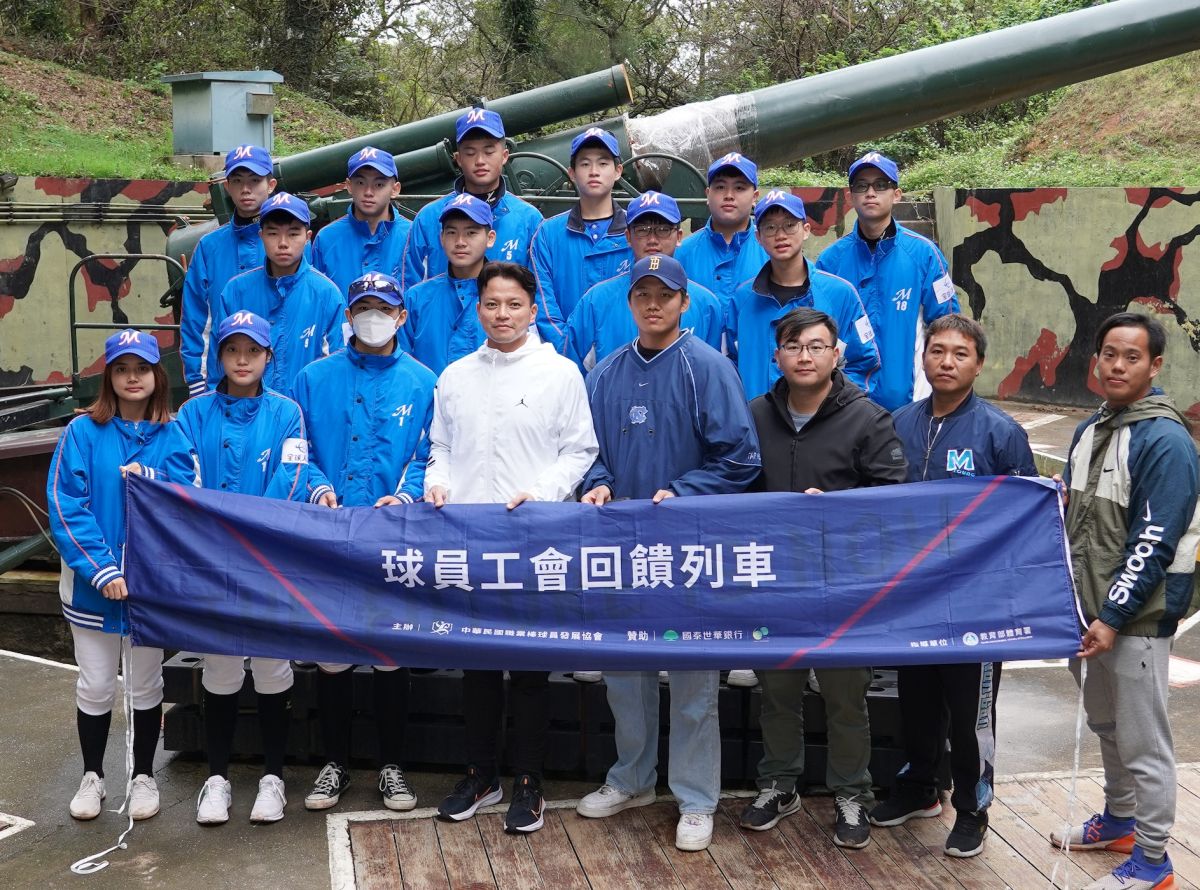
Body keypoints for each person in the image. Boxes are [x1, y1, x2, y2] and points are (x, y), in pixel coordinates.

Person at [575, 254, 761, 853]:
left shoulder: (707, 367)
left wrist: (682, 491)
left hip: (687, 549)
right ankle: (631, 777)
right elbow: (586, 449)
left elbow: (741, 458)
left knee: (691, 679)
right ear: (629, 302)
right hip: (621, 550)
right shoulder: (604, 373)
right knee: (623, 673)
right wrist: (596, 480)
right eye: (642, 293)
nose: (653, 303)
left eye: (665, 293)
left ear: (686, 302)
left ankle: (696, 797)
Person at [425, 261, 597, 833]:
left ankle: (528, 780)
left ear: (532, 307)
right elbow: (440, 446)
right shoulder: (454, 375)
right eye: (492, 304)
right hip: (469, 540)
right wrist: (436, 481)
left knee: (528, 668)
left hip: (533, 539)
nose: (502, 315)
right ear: (478, 308)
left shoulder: (560, 373)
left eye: (513, 305)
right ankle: (480, 773)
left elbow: (579, 451)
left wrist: (543, 493)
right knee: (475, 665)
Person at [738, 307, 906, 848]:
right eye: (793, 346)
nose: (804, 356)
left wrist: (834, 508)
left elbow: (891, 502)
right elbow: (736, 488)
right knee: (778, 695)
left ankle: (853, 792)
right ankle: (778, 783)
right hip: (775, 585)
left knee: (845, 699)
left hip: (843, 588)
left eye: (815, 346)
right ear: (776, 356)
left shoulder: (869, 418)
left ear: (837, 355)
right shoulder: (756, 414)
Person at [874, 314, 1036, 858]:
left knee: (969, 719)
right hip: (913, 600)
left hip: (977, 608)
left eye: (959, 353)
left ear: (978, 364)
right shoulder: (897, 424)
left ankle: (972, 807)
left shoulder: (1000, 433)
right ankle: (921, 788)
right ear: (923, 359)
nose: (946, 362)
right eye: (937, 351)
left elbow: (1027, 519)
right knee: (916, 703)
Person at [1049, 312, 1199, 890]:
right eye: (1108, 353)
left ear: (1155, 365)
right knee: (1106, 724)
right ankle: (1119, 822)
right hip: (1086, 616)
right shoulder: (1092, 430)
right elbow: (1072, 523)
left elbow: (1154, 542)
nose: (1116, 365)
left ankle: (1155, 862)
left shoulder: (1165, 441)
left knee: (1144, 742)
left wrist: (1112, 617)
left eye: (1131, 356)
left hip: (1135, 620)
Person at [293, 272, 437, 813]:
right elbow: (296, 444)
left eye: (384, 308)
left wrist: (404, 497)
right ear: (348, 315)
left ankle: (392, 765)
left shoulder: (425, 381)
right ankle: (334, 763)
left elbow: (430, 453)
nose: (372, 316)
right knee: (332, 653)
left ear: (401, 316)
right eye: (363, 307)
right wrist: (318, 485)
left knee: (388, 651)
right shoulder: (313, 377)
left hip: (392, 534)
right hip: (328, 533)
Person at [47, 329, 199, 822]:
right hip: (94, 589)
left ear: (158, 376)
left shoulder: (174, 435)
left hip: (148, 589)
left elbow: (189, 498)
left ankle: (144, 775)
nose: (132, 378)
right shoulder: (81, 433)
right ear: (109, 377)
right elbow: (68, 506)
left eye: (142, 369)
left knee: (146, 684)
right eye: (121, 369)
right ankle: (94, 775)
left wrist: (152, 481)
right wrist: (102, 569)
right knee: (94, 685)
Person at [175, 311, 310, 825]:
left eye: (252, 351)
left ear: (268, 357)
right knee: (220, 666)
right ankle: (217, 778)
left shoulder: (287, 413)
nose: (242, 359)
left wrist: (251, 534)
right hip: (210, 560)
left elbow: (291, 478)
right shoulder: (192, 412)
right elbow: (180, 477)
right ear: (220, 356)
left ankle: (273, 777)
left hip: (267, 559)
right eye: (232, 350)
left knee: (273, 666)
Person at [816, 151, 959, 412]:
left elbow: (947, 325)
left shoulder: (924, 254)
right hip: (844, 405)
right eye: (862, 186)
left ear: (896, 194)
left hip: (908, 404)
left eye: (881, 185)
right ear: (850, 197)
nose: (871, 193)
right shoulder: (830, 261)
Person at [729, 190, 879, 400]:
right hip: (756, 424)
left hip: (822, 427)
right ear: (758, 237)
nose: (780, 235)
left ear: (806, 229)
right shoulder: (743, 299)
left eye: (790, 225)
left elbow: (865, 361)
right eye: (770, 227)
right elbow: (730, 366)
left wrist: (834, 409)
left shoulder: (840, 294)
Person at [566, 190, 724, 372]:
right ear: (628, 237)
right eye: (642, 230)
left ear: (679, 236)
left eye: (663, 229)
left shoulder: (706, 304)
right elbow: (572, 371)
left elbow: (713, 372)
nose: (652, 239)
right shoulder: (597, 300)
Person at [212, 192, 345, 394]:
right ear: (261, 236)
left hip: (305, 416)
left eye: (293, 234)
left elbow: (339, 365)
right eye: (273, 233)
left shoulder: (327, 295)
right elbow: (218, 362)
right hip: (246, 415)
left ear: (308, 237)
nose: (283, 243)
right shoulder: (236, 291)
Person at [401, 109, 542, 289]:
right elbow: (409, 287)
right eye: (470, 152)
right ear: (458, 159)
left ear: (504, 155)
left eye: (489, 151)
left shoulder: (529, 219)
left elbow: (539, 290)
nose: (480, 160)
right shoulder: (429, 217)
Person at [180, 144, 274, 398]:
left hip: (277, 387)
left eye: (255, 180)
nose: (246, 189)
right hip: (219, 386)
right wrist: (197, 383)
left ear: (271, 184)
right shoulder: (209, 247)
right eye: (238, 181)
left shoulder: (288, 246)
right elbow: (197, 320)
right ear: (227, 186)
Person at [531, 127, 633, 332]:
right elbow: (543, 302)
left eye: (603, 163)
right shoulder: (548, 234)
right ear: (572, 173)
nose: (594, 171)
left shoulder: (637, 230)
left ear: (617, 171)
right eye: (585, 164)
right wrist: (565, 346)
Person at [674, 152, 766, 322]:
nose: (729, 195)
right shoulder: (681, 255)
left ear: (755, 197)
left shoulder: (771, 254)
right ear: (708, 194)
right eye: (720, 187)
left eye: (739, 187)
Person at [312, 146, 411, 297]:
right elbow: (316, 297)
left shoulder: (413, 236)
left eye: (379, 184)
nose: (368, 192)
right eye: (360, 183)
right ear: (349, 186)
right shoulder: (326, 239)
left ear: (395, 189)